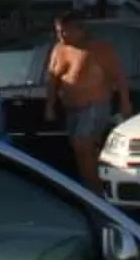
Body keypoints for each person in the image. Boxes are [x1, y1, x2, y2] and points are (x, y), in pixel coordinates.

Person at [45, 11, 132, 189]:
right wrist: (50, 105)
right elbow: (52, 79)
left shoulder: (99, 49)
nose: (61, 36)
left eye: (65, 31)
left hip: (94, 105)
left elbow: (119, 77)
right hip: (71, 108)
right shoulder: (59, 49)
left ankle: (95, 189)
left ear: (79, 30)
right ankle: (90, 185)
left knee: (82, 144)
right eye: (58, 31)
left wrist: (125, 102)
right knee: (81, 150)